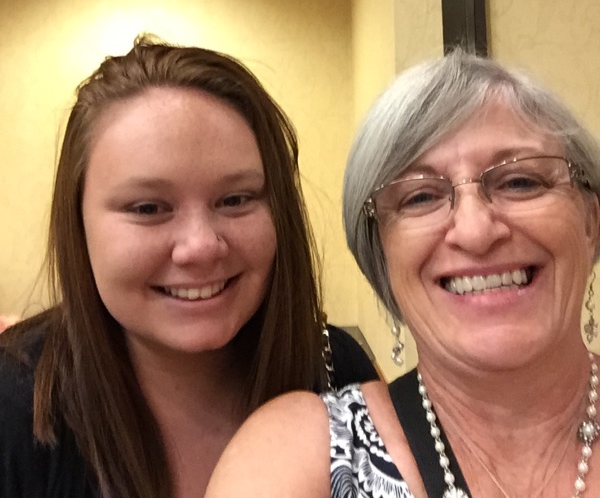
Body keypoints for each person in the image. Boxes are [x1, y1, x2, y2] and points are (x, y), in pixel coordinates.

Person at [206, 48, 600, 498]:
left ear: (591, 221)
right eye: (420, 197)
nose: (475, 232)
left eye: (520, 182)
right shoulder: (300, 457)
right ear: (380, 253)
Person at [0, 36, 376, 498]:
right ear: (78, 224)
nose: (200, 247)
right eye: (148, 208)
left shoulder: (336, 371)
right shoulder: (12, 403)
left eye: (235, 199)